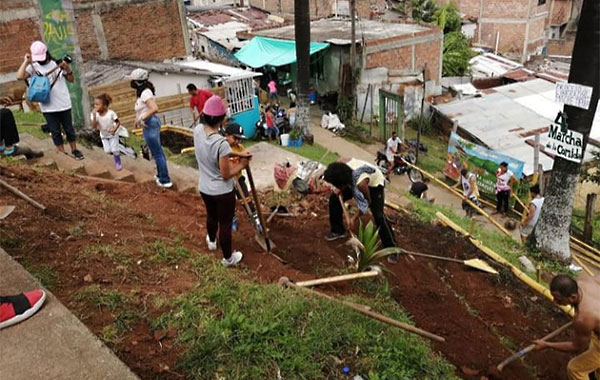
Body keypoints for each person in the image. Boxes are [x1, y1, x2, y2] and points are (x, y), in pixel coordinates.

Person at [194, 96, 252, 267]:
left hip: (205, 188)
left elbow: (214, 155)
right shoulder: (221, 143)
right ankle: (228, 258)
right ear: (221, 119)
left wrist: (239, 154)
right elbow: (226, 174)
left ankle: (212, 241)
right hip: (222, 192)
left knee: (211, 216)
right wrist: (242, 164)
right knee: (225, 223)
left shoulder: (197, 131)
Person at [16, 41, 84, 160]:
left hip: (63, 103)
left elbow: (71, 79)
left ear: (47, 53)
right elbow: (19, 76)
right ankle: (62, 152)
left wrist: (67, 69)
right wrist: (26, 61)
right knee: (55, 131)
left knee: (69, 129)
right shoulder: (33, 67)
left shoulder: (57, 64)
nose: (40, 60)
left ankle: (74, 149)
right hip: (47, 106)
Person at [323, 158, 397, 260]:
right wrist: (337, 188)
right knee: (334, 198)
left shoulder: (360, 184)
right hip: (352, 178)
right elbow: (340, 161)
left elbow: (366, 203)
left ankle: (392, 248)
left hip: (374, 184)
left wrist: (353, 219)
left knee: (378, 215)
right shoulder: (342, 165)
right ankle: (338, 230)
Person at [533, 274, 600, 380]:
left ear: (573, 297)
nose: (555, 301)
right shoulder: (586, 280)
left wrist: (546, 344)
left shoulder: (583, 318)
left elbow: (577, 347)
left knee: (575, 369)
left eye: (558, 299)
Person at [128, 68, 172, 188]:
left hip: (150, 123)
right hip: (149, 123)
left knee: (157, 153)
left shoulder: (145, 93)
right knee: (156, 152)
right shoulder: (142, 92)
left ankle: (165, 180)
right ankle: (160, 175)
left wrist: (142, 118)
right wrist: (137, 119)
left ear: (137, 81)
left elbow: (154, 108)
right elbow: (143, 109)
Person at [223, 122, 254, 231]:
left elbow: (244, 157)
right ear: (227, 135)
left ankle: (255, 219)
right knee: (229, 201)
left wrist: (247, 158)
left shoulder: (239, 148)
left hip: (238, 177)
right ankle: (232, 219)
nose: (237, 141)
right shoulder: (223, 148)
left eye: (239, 139)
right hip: (227, 180)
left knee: (246, 198)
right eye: (235, 138)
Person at [91, 93, 123, 171]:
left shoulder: (111, 113)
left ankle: (118, 162)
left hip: (113, 135)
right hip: (104, 136)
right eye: (95, 104)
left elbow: (118, 122)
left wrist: (114, 129)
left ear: (104, 106)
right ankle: (117, 150)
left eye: (97, 104)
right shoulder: (95, 115)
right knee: (107, 151)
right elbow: (94, 126)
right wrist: (94, 116)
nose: (95, 106)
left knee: (114, 150)